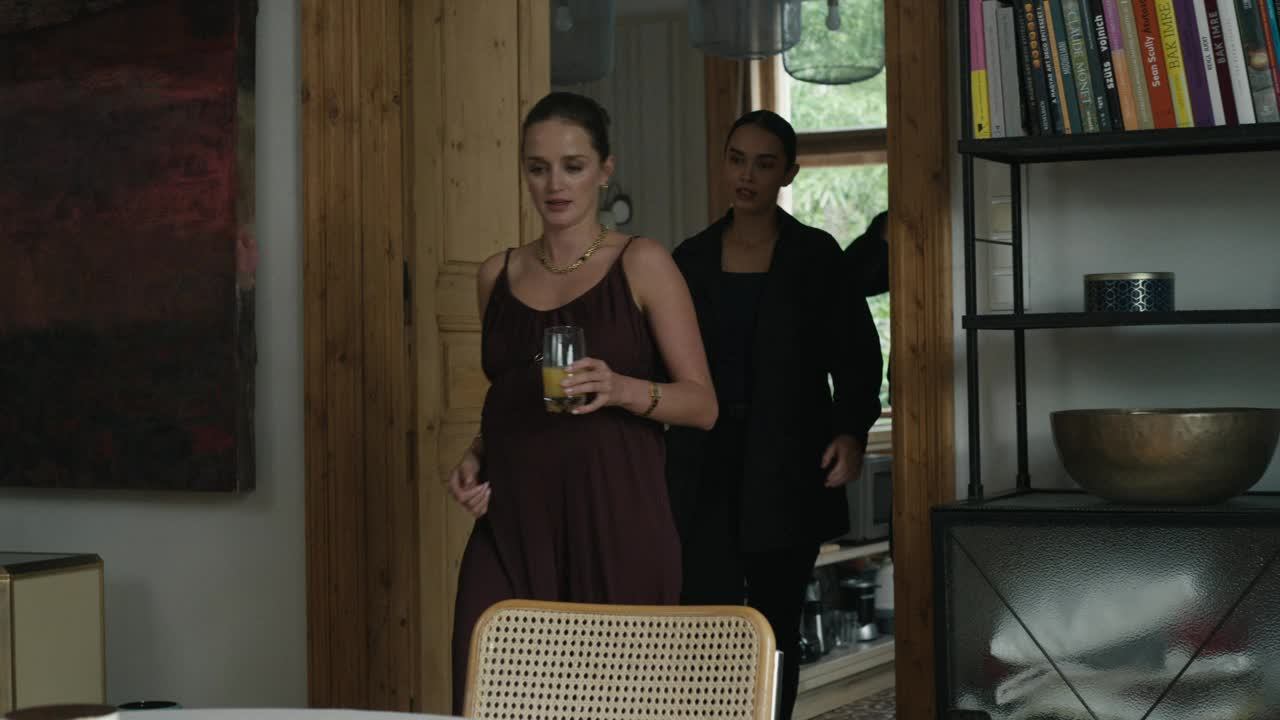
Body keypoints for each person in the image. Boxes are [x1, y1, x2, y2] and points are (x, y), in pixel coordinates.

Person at [444, 91, 717, 713]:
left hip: (616, 520)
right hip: (512, 525)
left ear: (605, 169)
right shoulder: (495, 275)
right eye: (537, 167)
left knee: (612, 705)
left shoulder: (643, 263)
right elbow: (512, 400)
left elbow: (703, 405)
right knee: (488, 699)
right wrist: (475, 457)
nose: (554, 184)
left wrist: (621, 388)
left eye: (572, 166)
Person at [664, 110, 883, 720]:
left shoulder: (816, 256)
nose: (747, 175)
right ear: (723, 163)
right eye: (737, 159)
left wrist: (851, 432)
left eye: (764, 164)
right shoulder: (689, 259)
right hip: (703, 463)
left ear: (789, 173)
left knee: (776, 621)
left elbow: (858, 356)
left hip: (788, 462)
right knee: (703, 617)